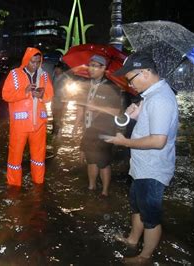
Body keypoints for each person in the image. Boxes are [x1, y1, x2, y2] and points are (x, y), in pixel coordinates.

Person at [106, 51, 179, 264]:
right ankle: (132, 239)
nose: (130, 85)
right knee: (137, 207)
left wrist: (125, 142)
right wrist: (134, 116)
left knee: (150, 217)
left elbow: (158, 141)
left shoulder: (160, 100)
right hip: (141, 166)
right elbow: (148, 126)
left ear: (145, 72)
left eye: (131, 79)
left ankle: (144, 257)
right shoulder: (151, 96)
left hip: (152, 169)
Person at [2, 47, 54, 187]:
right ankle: (14, 187)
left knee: (39, 157)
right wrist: (24, 92)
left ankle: (38, 184)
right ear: (26, 60)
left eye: (38, 62)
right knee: (15, 157)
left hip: (39, 124)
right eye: (32, 62)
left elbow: (49, 96)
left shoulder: (44, 76)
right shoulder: (14, 75)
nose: (35, 65)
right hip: (20, 124)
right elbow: (6, 95)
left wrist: (42, 95)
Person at [74, 55, 122, 197]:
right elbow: (81, 107)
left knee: (103, 162)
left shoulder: (112, 87)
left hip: (105, 130)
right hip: (89, 129)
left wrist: (98, 108)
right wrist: (76, 124)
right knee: (90, 159)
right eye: (90, 65)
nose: (91, 68)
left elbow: (116, 112)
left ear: (103, 68)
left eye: (95, 65)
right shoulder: (86, 84)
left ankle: (105, 192)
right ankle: (91, 187)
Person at [51, 61, 67, 135]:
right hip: (54, 101)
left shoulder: (65, 78)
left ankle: (58, 134)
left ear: (62, 69)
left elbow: (67, 93)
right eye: (56, 68)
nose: (56, 70)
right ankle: (54, 132)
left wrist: (64, 104)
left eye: (58, 68)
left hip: (61, 102)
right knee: (54, 118)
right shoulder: (54, 76)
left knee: (59, 118)